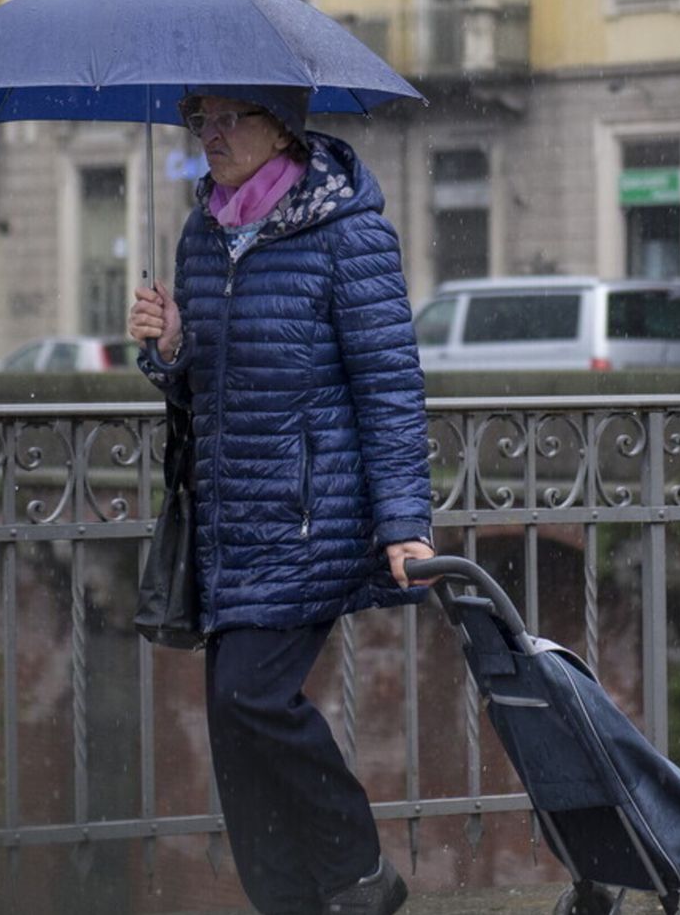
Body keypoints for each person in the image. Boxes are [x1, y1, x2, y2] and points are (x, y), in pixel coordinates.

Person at [128, 87, 435, 915]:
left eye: (230, 120)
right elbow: (201, 388)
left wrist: (404, 523)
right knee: (232, 732)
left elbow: (389, 386)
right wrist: (170, 348)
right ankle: (290, 901)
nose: (211, 137)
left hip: (313, 515)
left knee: (251, 698)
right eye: (201, 122)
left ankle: (360, 869)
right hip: (229, 516)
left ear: (282, 129)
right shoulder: (203, 233)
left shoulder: (348, 232)